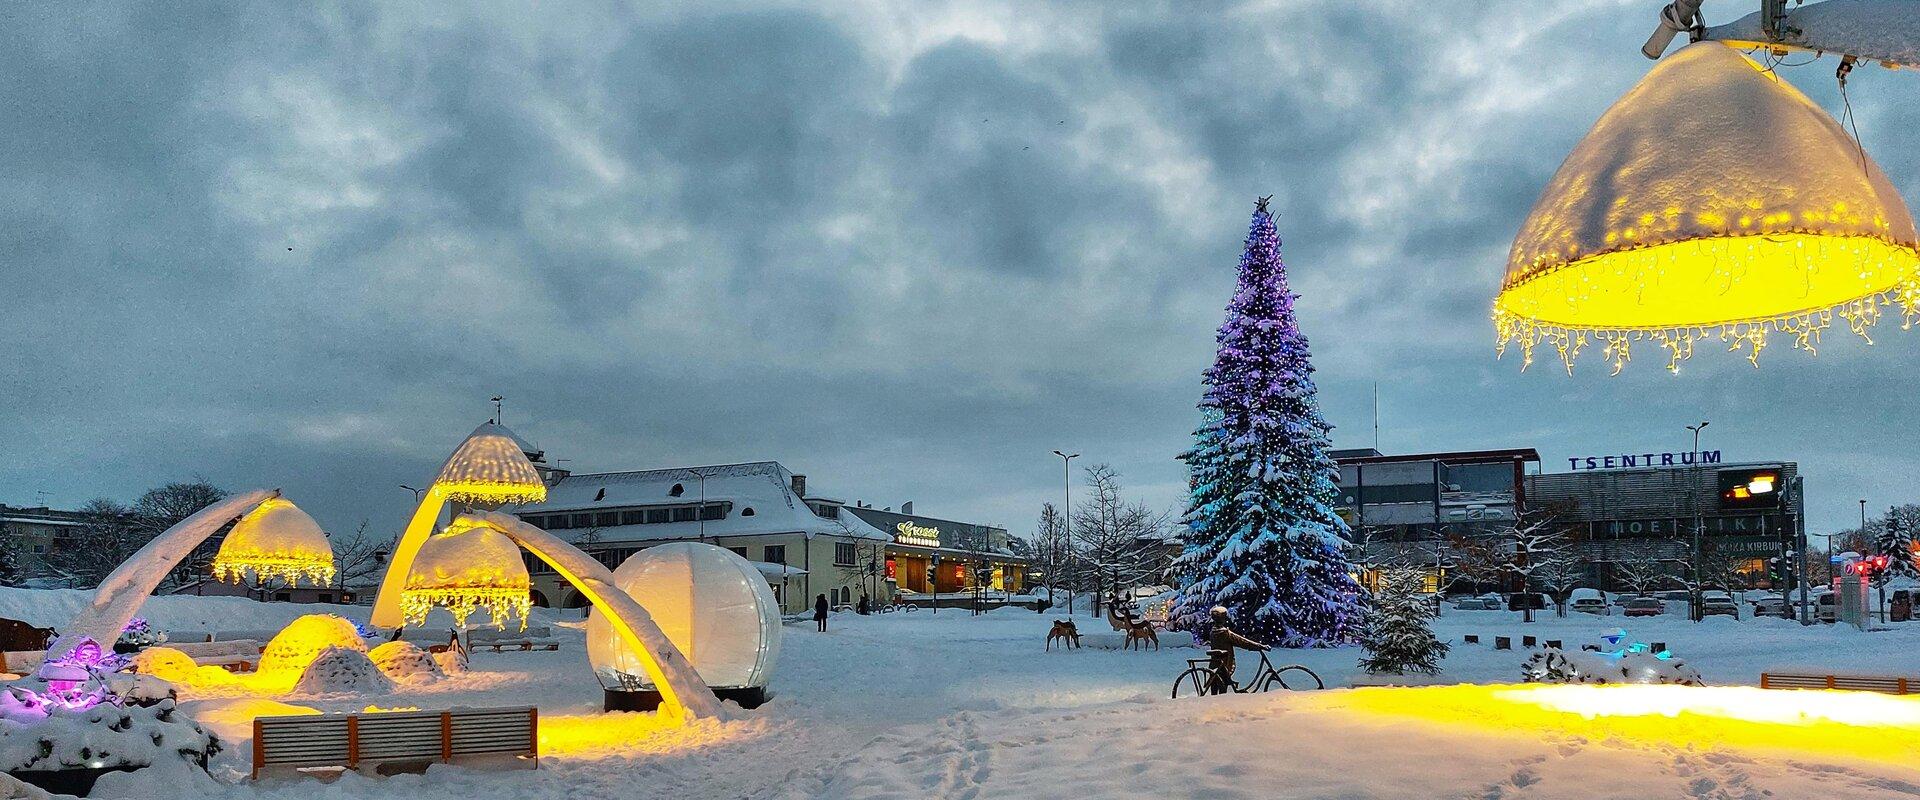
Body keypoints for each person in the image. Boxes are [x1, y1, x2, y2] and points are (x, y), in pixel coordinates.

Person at [1206, 605, 1268, 693]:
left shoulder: (1213, 631)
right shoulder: (1224, 633)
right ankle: (1219, 703)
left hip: (1215, 663)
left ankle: (1216, 702)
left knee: (1216, 685)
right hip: (1225, 663)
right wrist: (1258, 646)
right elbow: (1241, 641)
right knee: (1222, 687)